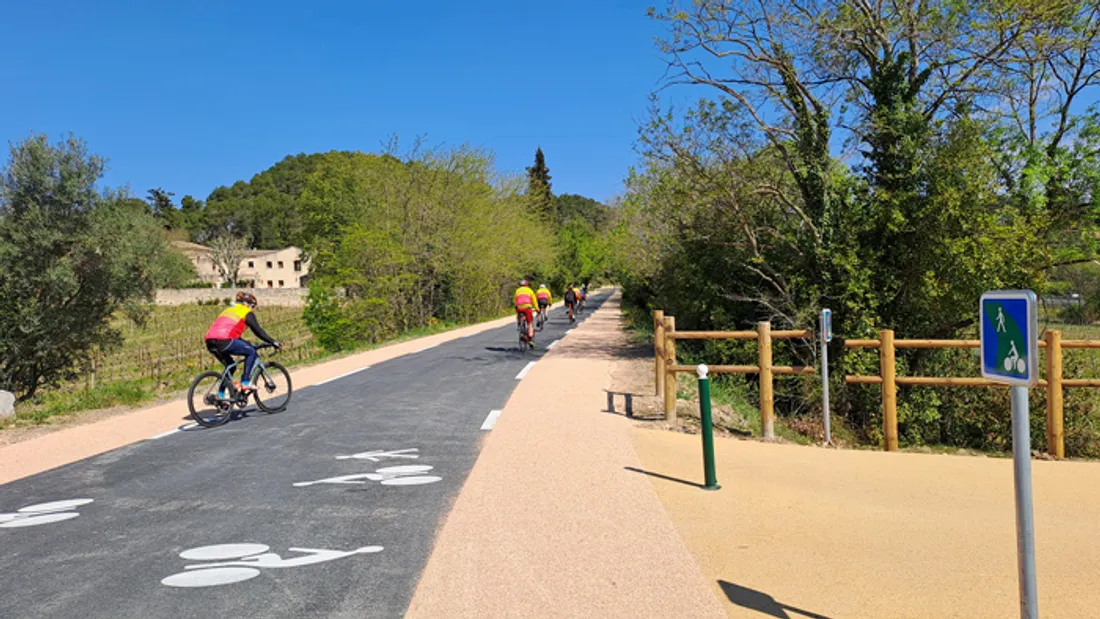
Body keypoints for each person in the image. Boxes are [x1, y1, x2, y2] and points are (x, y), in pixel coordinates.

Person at [204, 291, 280, 397]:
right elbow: (258, 331)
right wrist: (272, 341)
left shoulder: (228, 310)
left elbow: (230, 330)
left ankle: (220, 395)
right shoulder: (246, 312)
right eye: (253, 306)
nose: (252, 309)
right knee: (251, 352)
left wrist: (245, 342)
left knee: (230, 366)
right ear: (248, 304)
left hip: (210, 341)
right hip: (224, 340)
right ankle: (245, 382)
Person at [513, 279, 538, 347]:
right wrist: (537, 309)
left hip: (519, 307)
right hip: (527, 307)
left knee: (519, 314)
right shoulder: (530, 290)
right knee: (530, 323)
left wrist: (516, 307)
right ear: (527, 285)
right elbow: (534, 301)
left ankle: (519, 324)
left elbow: (515, 299)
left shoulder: (517, 291)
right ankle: (530, 339)